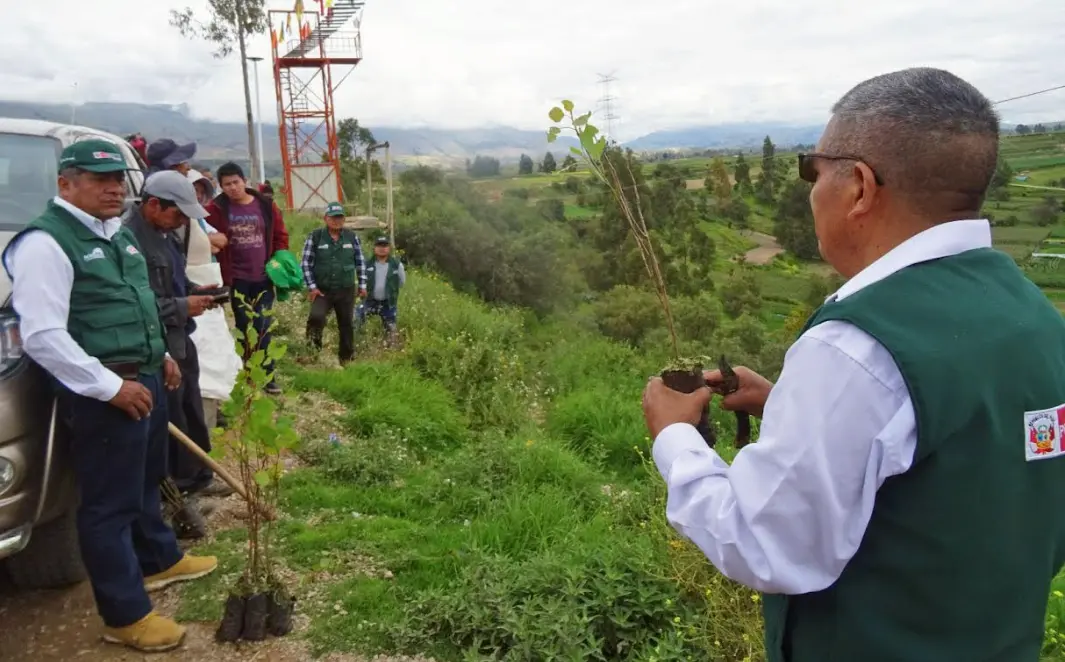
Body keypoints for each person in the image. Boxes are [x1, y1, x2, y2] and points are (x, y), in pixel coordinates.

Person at [641, 67, 1065, 662]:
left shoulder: (855, 348)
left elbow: (763, 541)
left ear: (860, 186)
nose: (810, 191)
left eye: (813, 171)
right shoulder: (1036, 318)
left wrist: (677, 437)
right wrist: (787, 405)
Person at [1, 139, 217, 652]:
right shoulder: (46, 244)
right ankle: (125, 614)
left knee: (147, 480)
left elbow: (138, 304)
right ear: (65, 184)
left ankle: (159, 560)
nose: (112, 188)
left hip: (144, 376)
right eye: (98, 180)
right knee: (107, 507)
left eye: (117, 179)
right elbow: (44, 336)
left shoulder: (116, 235)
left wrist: (159, 357)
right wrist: (110, 387)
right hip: (105, 392)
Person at [126, 171, 233, 536]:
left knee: (190, 410)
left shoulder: (165, 234)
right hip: (161, 343)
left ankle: (199, 475)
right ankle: (177, 499)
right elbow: (139, 304)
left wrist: (196, 291)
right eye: (179, 213)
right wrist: (182, 305)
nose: (184, 221)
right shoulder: (130, 242)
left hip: (180, 337)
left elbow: (172, 282)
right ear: (153, 204)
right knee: (170, 426)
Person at [205, 162, 289, 395]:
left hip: (263, 277)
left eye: (236, 182)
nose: (232, 188)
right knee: (243, 326)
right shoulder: (216, 210)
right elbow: (206, 234)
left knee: (262, 325)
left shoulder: (265, 205)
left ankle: (268, 375)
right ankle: (249, 373)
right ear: (221, 187)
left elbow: (280, 234)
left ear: (244, 182)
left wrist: (279, 259)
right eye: (227, 184)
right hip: (237, 278)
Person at [301, 202, 366, 364]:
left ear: (344, 219)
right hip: (322, 290)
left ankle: (346, 358)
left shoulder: (352, 237)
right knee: (316, 318)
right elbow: (306, 263)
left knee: (346, 324)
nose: (336, 221)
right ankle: (312, 353)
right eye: (333, 217)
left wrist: (363, 285)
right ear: (325, 218)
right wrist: (312, 287)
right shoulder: (315, 237)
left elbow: (360, 262)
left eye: (340, 217)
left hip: (346, 289)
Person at [356, 236, 405, 345]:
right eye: (379, 245)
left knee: (391, 329)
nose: (382, 248)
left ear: (389, 248)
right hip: (369, 301)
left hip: (388, 303)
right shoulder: (367, 264)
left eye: (385, 245)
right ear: (374, 248)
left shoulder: (397, 265)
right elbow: (360, 280)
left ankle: (389, 349)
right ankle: (357, 342)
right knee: (357, 318)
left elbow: (401, 282)